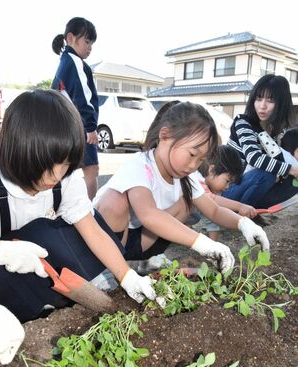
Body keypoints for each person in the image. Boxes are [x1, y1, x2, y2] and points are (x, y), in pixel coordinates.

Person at [0, 89, 157, 323]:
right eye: (48, 165)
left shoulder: (66, 178)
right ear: (18, 151)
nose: (57, 176)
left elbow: (92, 231)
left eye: (66, 163)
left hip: (39, 262)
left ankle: (55, 299)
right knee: (37, 237)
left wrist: (127, 276)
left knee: (86, 223)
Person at [93, 102, 269, 275]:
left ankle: (150, 259)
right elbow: (149, 216)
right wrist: (202, 243)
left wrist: (243, 224)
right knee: (114, 201)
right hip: (103, 238)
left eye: (201, 160)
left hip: (140, 241)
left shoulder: (187, 177)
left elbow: (214, 211)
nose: (194, 165)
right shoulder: (139, 165)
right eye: (192, 154)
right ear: (165, 136)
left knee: (187, 202)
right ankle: (104, 270)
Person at [222, 74, 298, 208]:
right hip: (226, 189)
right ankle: (240, 213)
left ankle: (254, 211)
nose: (262, 106)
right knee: (268, 173)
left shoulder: (275, 133)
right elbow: (254, 158)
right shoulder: (243, 123)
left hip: (246, 186)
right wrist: (291, 169)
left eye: (270, 100)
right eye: (259, 98)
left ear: (281, 103)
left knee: (290, 180)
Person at [52, 17, 99, 200]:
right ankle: (90, 210)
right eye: (87, 41)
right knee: (91, 169)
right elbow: (82, 97)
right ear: (71, 38)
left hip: (64, 126)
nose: (90, 47)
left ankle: (58, 206)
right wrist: (90, 127)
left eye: (92, 43)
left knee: (63, 169)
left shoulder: (65, 61)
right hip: (78, 126)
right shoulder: (75, 62)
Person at [191, 145, 257, 241]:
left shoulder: (210, 187)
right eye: (227, 181)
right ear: (212, 171)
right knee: (192, 212)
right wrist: (240, 206)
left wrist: (215, 244)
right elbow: (211, 199)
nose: (227, 187)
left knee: (196, 214)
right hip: (168, 214)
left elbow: (212, 216)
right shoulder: (195, 179)